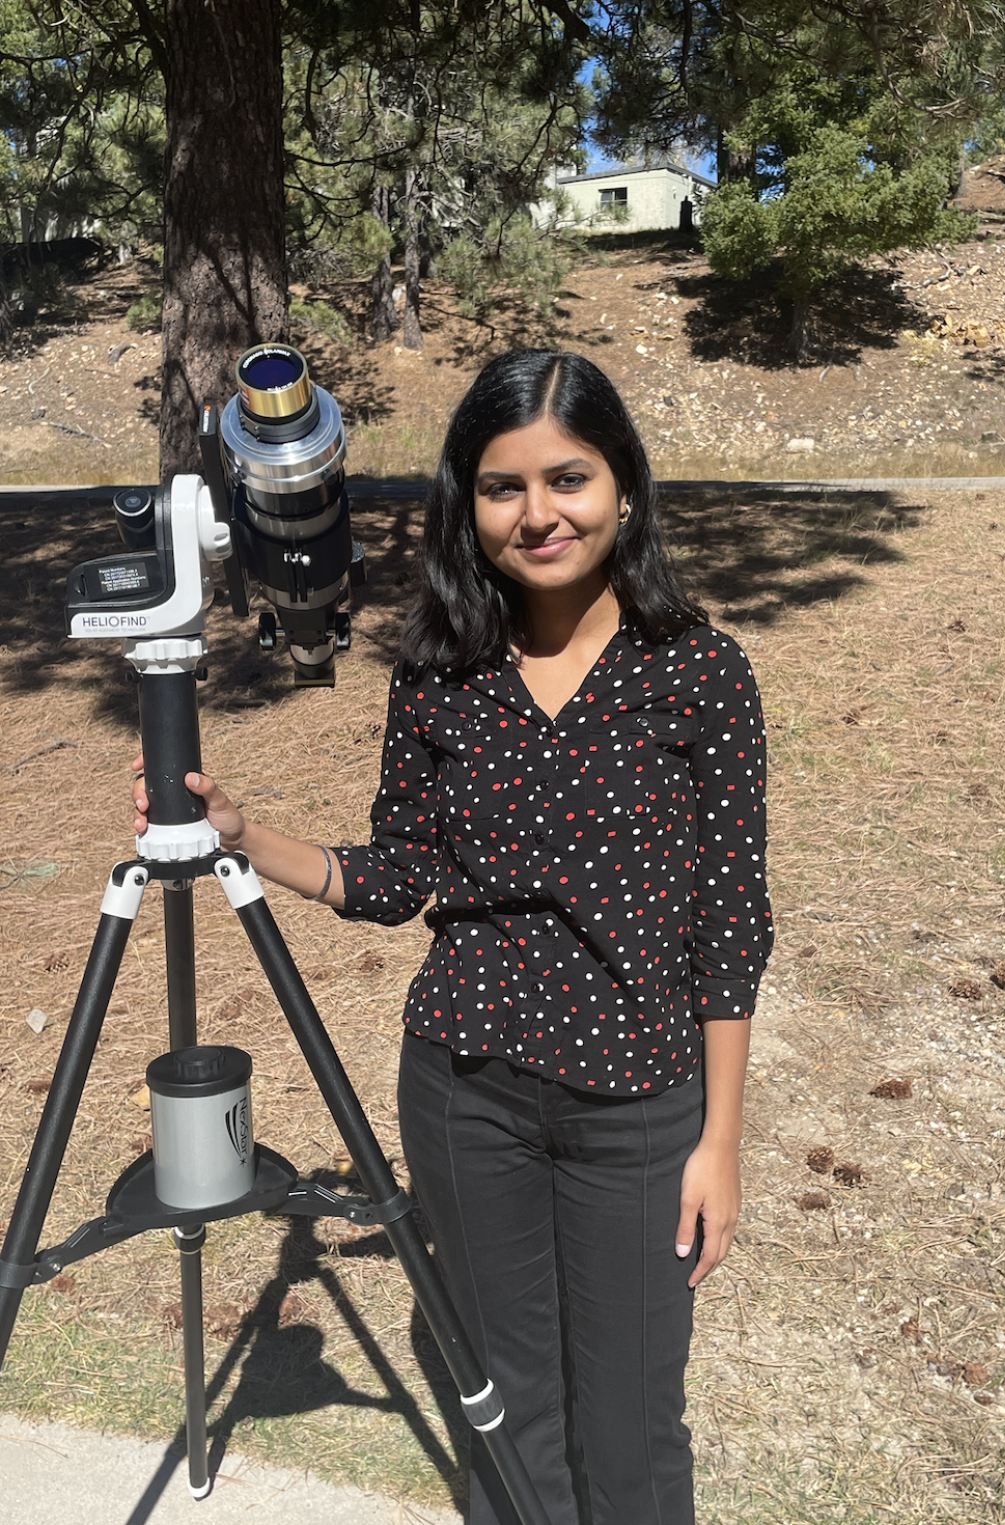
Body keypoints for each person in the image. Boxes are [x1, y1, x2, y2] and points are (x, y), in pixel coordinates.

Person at [132, 349, 773, 1525]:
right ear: (465, 507)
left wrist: (719, 1141)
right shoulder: (439, 677)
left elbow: (731, 926)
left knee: (633, 1427)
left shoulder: (700, 674)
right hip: (464, 1095)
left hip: (637, 1106)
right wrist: (241, 833)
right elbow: (402, 872)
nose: (539, 515)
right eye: (501, 487)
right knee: (504, 1413)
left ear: (623, 487)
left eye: (568, 478)